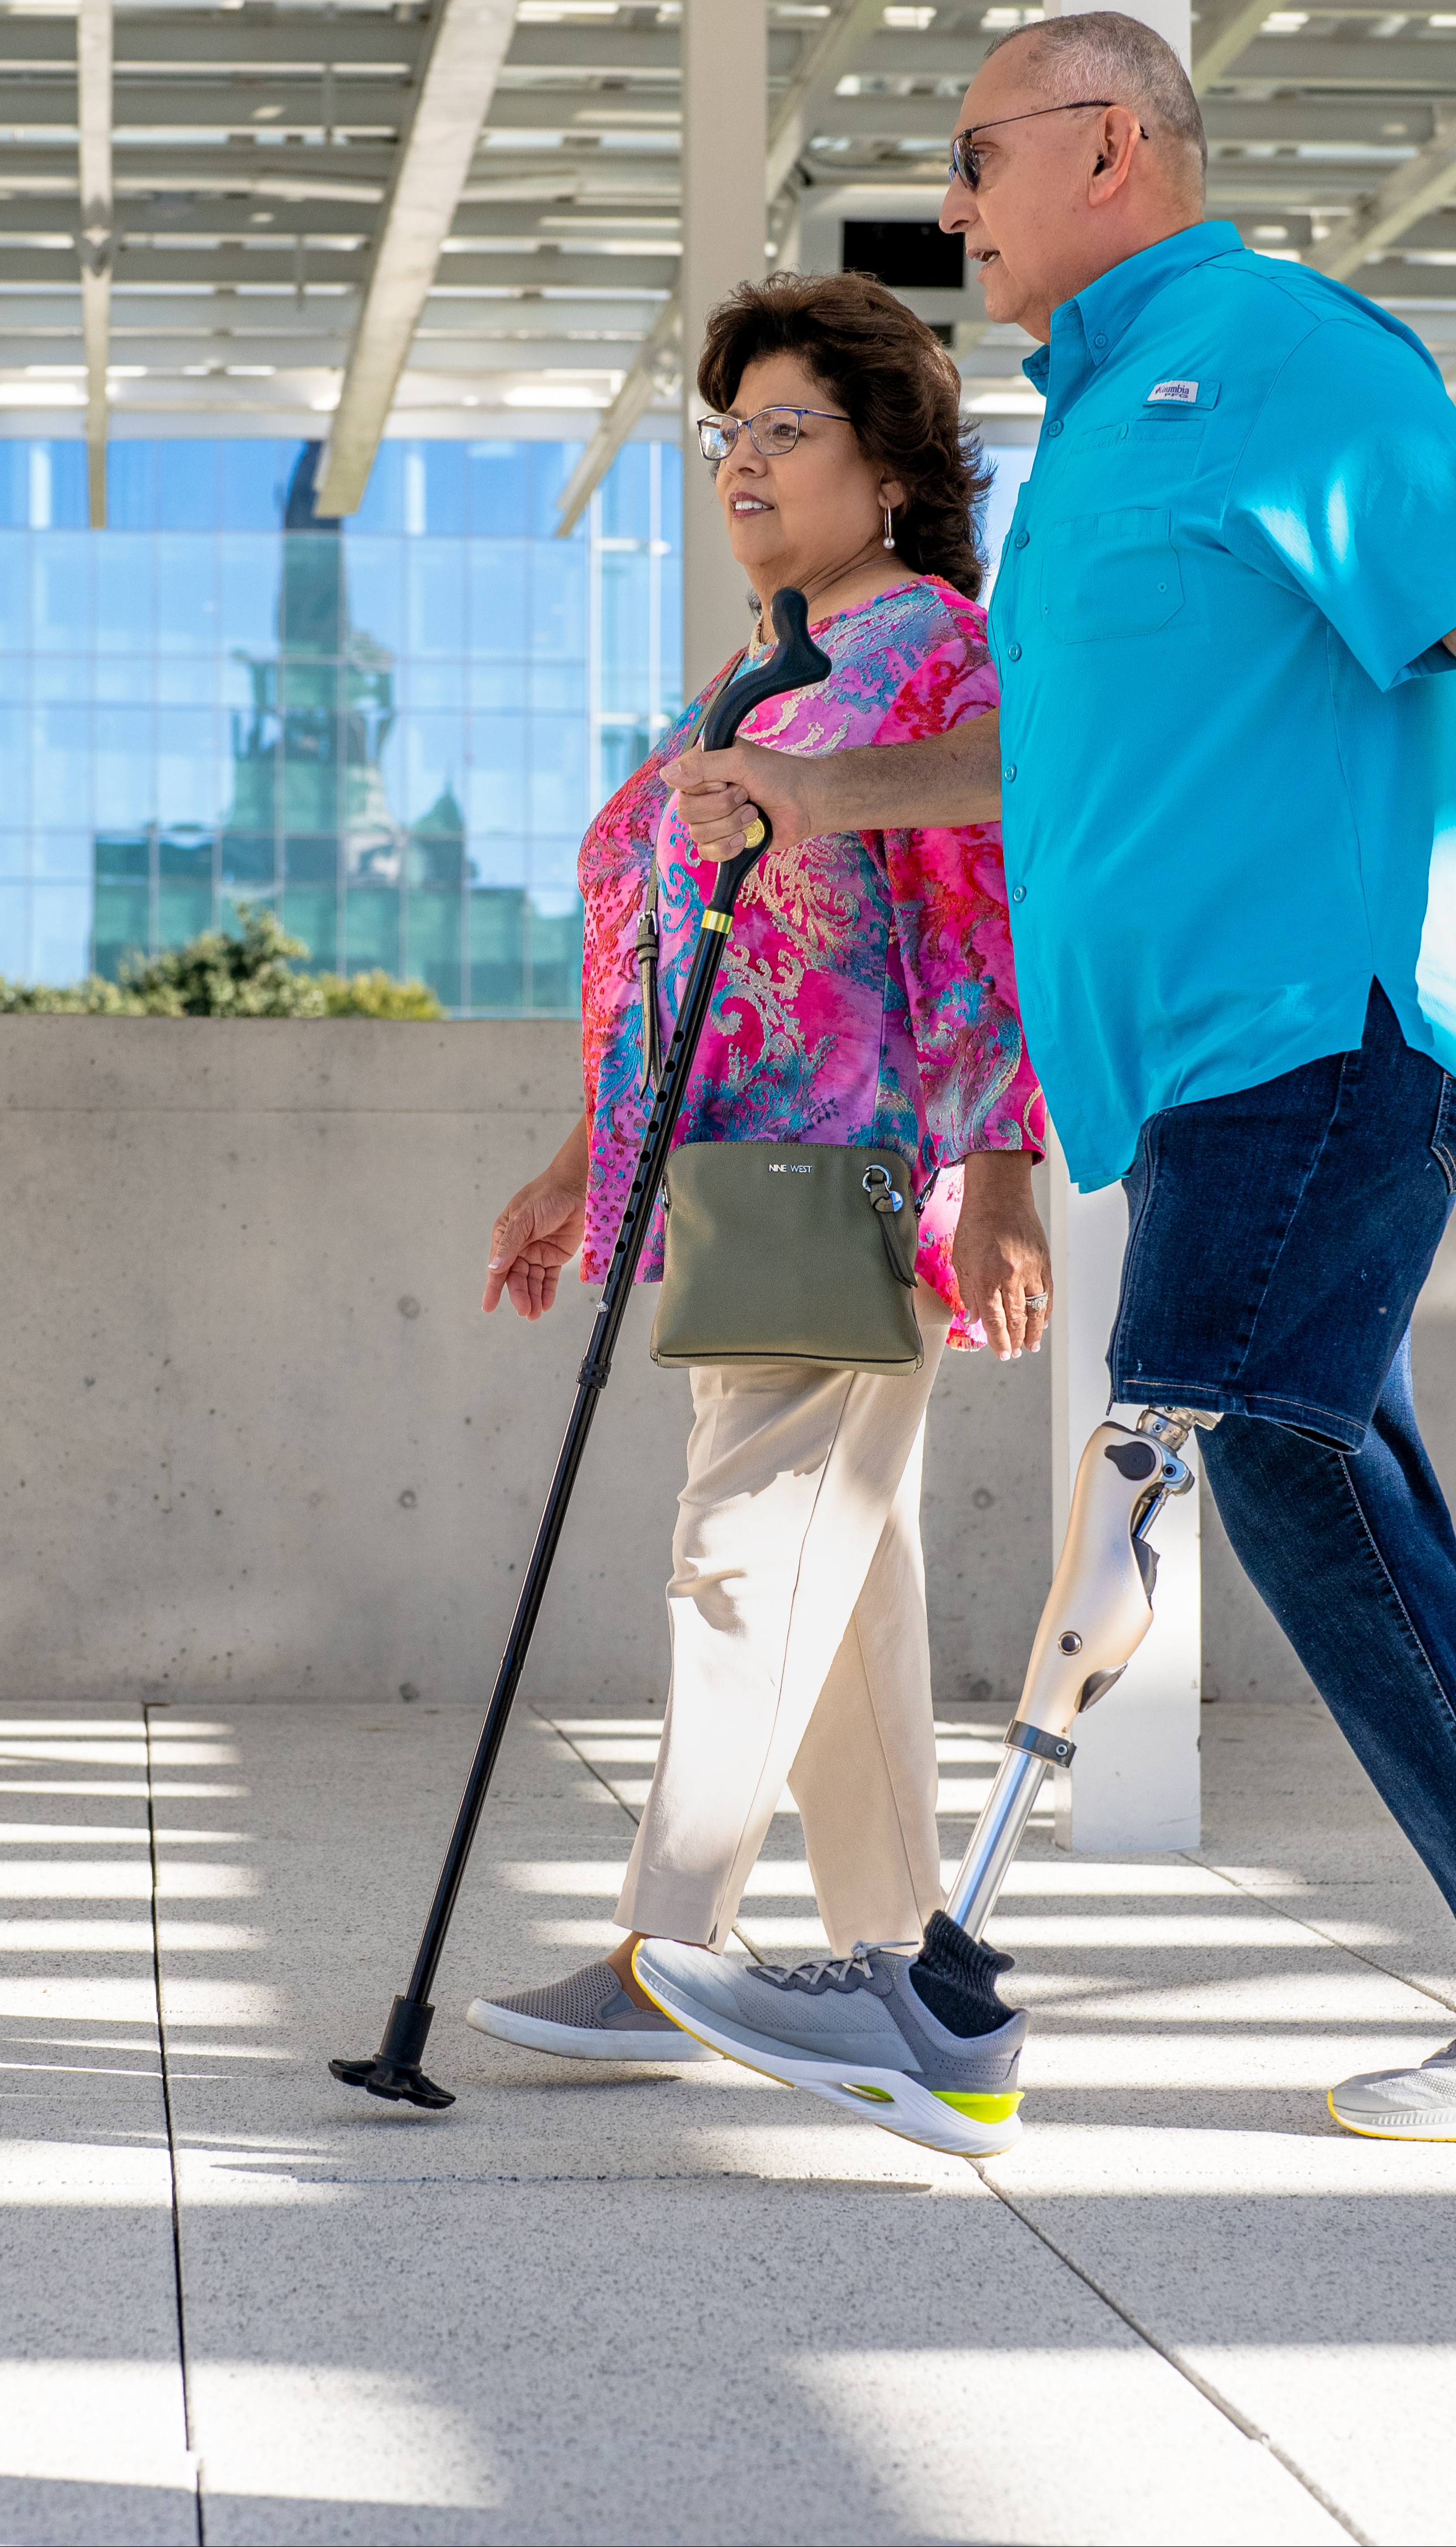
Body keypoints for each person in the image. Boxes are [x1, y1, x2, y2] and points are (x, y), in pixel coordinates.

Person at [636, 13, 1456, 2147]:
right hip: (1198, 1077)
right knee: (1304, 1463)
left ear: (1110, 142)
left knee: (1204, 1448)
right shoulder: (1094, 443)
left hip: (1318, 1031)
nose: (948, 205)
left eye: (972, 155)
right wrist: (813, 787)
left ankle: (947, 1998)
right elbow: (1045, 764)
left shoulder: (1297, 359)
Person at [465, 272, 1050, 2071]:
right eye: (726, 433)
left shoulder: (932, 643)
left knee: (744, 1551)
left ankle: (668, 1949)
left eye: (784, 428)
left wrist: (1010, 1169)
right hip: (736, 1177)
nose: (740, 463)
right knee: (836, 1582)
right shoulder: (763, 668)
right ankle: (892, 1956)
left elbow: (993, 902)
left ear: (891, 467)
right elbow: (681, 949)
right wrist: (585, 1158)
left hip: (854, 1171)